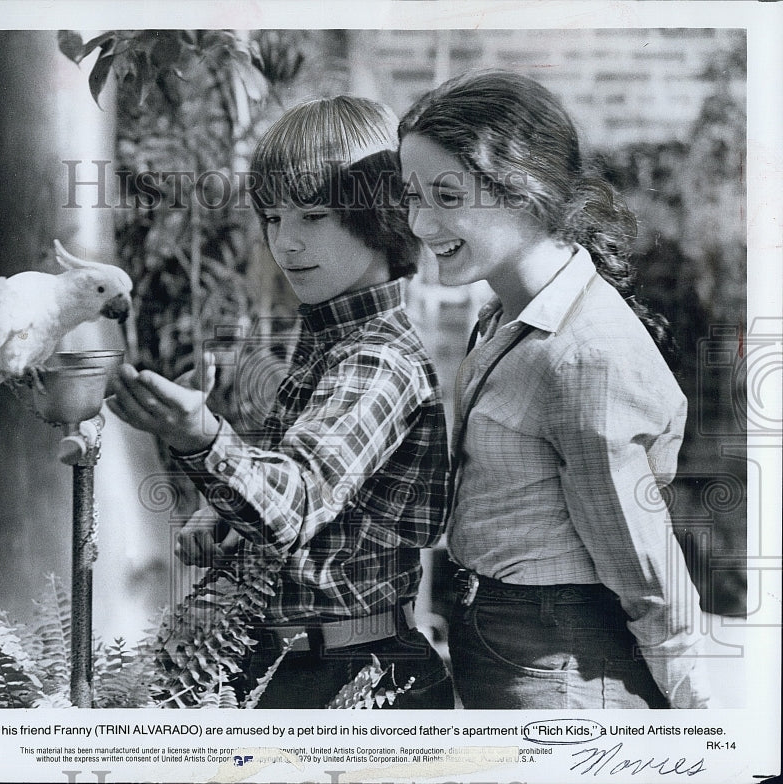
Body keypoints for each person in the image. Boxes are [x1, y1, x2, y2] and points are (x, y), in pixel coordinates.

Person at [107, 96, 453, 708]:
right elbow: (325, 520)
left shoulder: (376, 360)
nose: (286, 244)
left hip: (350, 681)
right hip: (299, 666)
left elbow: (293, 505)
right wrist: (227, 518)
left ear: (383, 217)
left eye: (313, 215)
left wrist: (203, 439)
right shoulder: (328, 341)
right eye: (272, 218)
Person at [397, 70, 710, 709]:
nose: (421, 224)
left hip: (559, 675)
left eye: (447, 195)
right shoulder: (505, 314)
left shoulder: (583, 354)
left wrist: (709, 716)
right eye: (411, 196)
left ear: (526, 191)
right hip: (501, 648)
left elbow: (644, 567)